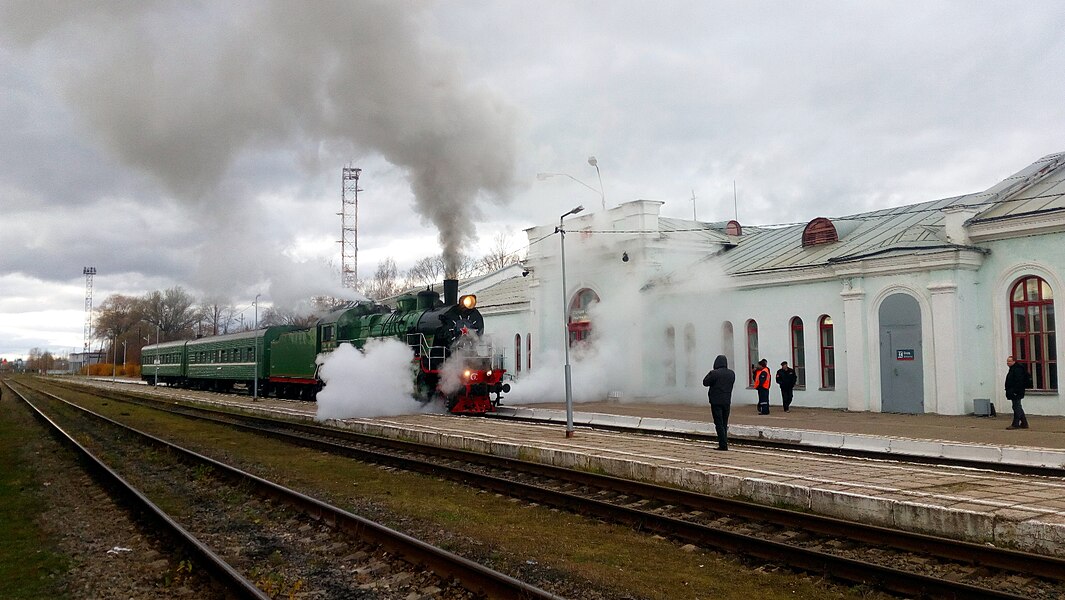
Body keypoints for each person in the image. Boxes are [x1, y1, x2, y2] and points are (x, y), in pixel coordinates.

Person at [703, 354, 736, 450]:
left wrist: (711, 373)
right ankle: (724, 441)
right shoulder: (731, 373)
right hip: (727, 401)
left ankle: (723, 445)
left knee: (718, 423)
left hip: (716, 401)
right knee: (724, 423)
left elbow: (705, 382)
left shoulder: (714, 373)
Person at [1004, 355, 1030, 430]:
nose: (1007, 363)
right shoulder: (1013, 369)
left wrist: (1015, 391)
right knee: (1017, 406)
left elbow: (1019, 382)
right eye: (1007, 361)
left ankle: (1015, 424)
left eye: (1009, 361)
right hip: (1014, 391)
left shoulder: (1017, 369)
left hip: (1016, 392)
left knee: (1016, 407)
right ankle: (1024, 423)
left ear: (1014, 361)